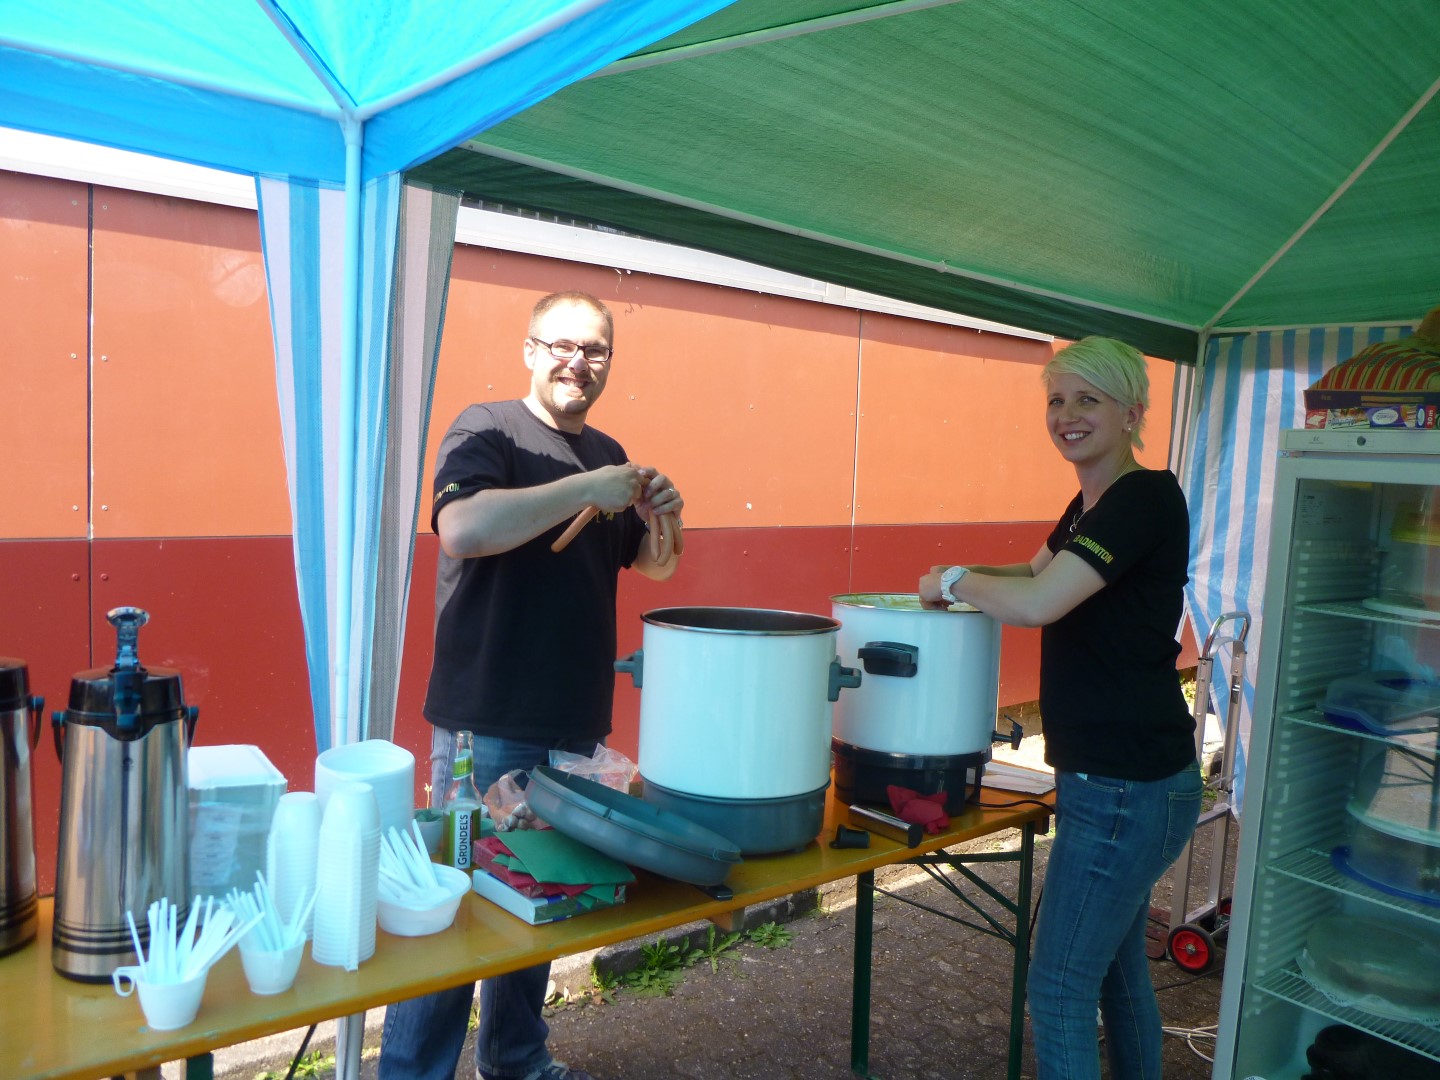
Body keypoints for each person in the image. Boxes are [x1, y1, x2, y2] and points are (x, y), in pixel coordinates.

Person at [379, 291, 683, 1080]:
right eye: (561, 345)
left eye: (595, 350)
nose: (577, 362)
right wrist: (587, 489)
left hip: (573, 725)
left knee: (540, 898)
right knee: (454, 910)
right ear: (529, 350)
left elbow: (654, 565)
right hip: (486, 720)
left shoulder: (607, 451)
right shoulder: (486, 429)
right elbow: (462, 529)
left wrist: (664, 513)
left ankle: (515, 1058)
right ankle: (412, 1072)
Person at [917, 336, 1201, 1080]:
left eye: (1088, 399)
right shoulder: (1090, 505)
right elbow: (1032, 571)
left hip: (1125, 785)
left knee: (1059, 985)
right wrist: (957, 573)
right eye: (1056, 399)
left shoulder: (1142, 498)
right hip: (1125, 778)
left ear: (1131, 413)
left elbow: (1039, 602)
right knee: (1114, 972)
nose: (1067, 414)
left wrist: (953, 582)